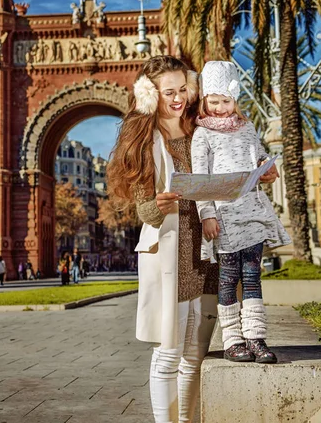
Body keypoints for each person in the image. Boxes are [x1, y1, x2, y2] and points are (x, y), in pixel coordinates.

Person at [107, 55, 219, 423]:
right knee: (169, 352)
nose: (178, 99)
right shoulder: (145, 140)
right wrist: (156, 203)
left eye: (182, 89)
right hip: (170, 252)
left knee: (195, 354)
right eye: (168, 92)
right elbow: (146, 212)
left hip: (206, 251)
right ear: (150, 95)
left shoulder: (202, 129)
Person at [191, 61, 291, 365]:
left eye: (227, 101)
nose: (221, 108)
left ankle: (256, 338)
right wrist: (207, 215)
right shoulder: (202, 135)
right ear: (205, 100)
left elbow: (260, 156)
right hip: (224, 218)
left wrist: (268, 169)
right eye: (215, 102)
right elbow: (200, 179)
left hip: (252, 214)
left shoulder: (247, 128)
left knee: (253, 276)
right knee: (228, 276)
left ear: (236, 100)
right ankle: (233, 340)